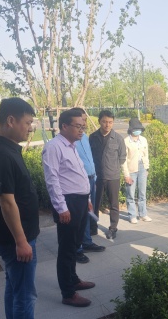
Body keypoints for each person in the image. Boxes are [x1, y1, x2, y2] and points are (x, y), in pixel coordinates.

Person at [0, 97, 63, 319]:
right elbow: (7, 202)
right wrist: (21, 241)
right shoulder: (2, 155)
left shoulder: (6, 148)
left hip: (15, 238)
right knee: (25, 294)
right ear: (11, 120)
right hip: (15, 240)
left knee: (14, 286)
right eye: (28, 122)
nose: (30, 128)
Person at [42, 108, 96, 308]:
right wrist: (61, 208)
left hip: (79, 201)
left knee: (75, 245)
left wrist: (87, 197)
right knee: (66, 248)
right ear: (64, 126)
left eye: (83, 126)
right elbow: (52, 179)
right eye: (77, 126)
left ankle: (73, 279)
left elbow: (78, 174)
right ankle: (68, 293)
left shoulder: (72, 145)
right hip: (67, 203)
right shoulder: (54, 147)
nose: (82, 130)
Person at [72, 107, 105, 264]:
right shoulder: (70, 140)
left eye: (85, 120)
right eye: (82, 120)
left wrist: (95, 178)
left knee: (87, 213)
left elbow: (90, 158)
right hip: (79, 182)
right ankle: (77, 249)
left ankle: (86, 242)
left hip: (91, 179)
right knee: (79, 216)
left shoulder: (84, 137)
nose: (85, 123)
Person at [89, 110, 126, 240]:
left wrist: (112, 167)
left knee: (114, 205)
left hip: (113, 177)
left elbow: (122, 157)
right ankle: (93, 227)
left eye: (110, 122)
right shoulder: (92, 137)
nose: (107, 125)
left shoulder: (118, 138)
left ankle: (113, 228)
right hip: (97, 177)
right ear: (99, 121)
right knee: (94, 203)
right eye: (104, 122)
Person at [122, 117, 152, 224]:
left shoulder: (143, 140)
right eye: (135, 129)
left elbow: (146, 155)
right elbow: (123, 160)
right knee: (130, 193)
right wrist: (126, 174)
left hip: (142, 167)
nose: (137, 131)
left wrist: (146, 168)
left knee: (142, 193)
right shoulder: (126, 141)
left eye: (139, 129)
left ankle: (143, 214)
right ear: (131, 129)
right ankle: (132, 215)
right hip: (131, 169)